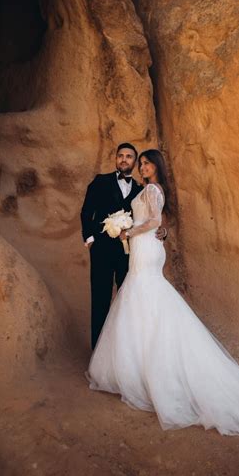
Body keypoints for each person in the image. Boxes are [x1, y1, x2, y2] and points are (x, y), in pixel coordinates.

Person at [86, 149, 239, 437]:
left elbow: (154, 221)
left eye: (146, 163)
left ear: (155, 166)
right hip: (141, 247)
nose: (142, 167)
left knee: (144, 293)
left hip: (144, 248)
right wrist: (129, 231)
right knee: (137, 297)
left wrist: (128, 231)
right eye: (141, 163)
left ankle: (150, 371)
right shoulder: (140, 187)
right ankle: (137, 366)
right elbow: (153, 220)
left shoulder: (151, 189)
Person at [80, 143, 167, 349]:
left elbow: (151, 217)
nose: (124, 159)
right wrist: (90, 240)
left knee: (127, 301)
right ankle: (98, 352)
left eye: (129, 156)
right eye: (120, 155)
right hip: (101, 250)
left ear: (134, 162)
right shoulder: (100, 181)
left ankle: (124, 350)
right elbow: (86, 212)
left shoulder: (140, 189)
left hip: (129, 252)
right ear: (116, 159)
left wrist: (164, 232)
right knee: (100, 299)